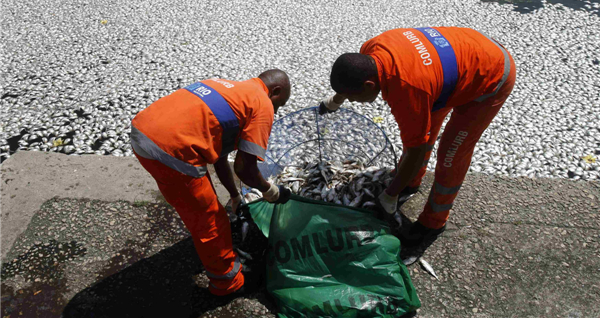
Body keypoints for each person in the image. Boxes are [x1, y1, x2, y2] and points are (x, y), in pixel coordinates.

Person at [320, 27, 516, 251]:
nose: (354, 101)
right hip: (456, 62)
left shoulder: (406, 90)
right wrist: (335, 100)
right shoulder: (370, 50)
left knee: (450, 153)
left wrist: (390, 194)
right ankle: (411, 183)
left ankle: (433, 222)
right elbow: (353, 75)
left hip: (491, 75)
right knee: (424, 130)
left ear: (369, 86)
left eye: (353, 98)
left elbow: (417, 150)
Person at [130, 69, 292, 296]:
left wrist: (235, 196)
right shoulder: (262, 104)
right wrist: (270, 190)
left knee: (190, 200)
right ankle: (228, 283)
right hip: (171, 149)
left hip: (142, 131)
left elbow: (219, 156)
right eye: (279, 104)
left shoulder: (223, 85)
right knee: (211, 220)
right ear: (275, 92)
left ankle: (199, 227)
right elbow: (245, 169)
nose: (276, 110)